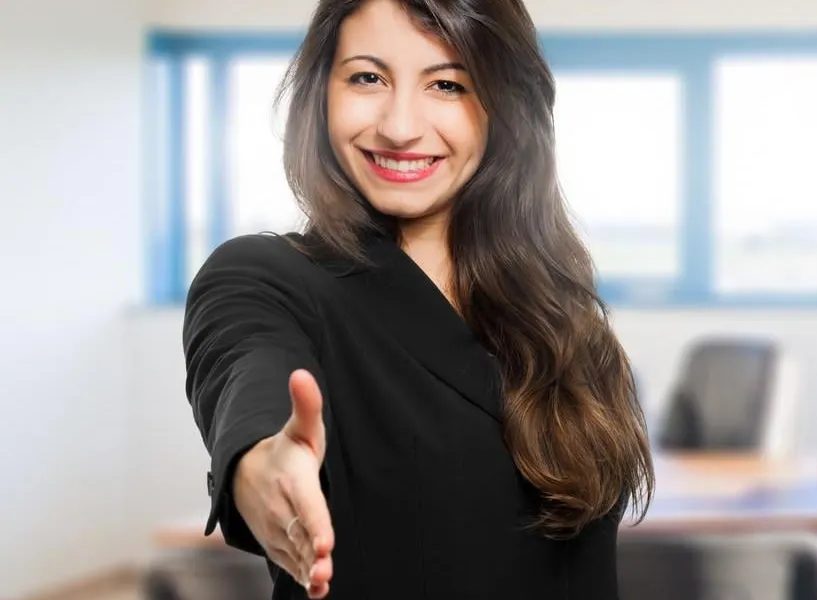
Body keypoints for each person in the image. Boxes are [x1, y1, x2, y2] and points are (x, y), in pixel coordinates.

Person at [181, 0, 655, 598]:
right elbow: (247, 369)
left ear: (504, 104)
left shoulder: (560, 313)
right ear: (320, 94)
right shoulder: (269, 276)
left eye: (448, 84)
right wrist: (260, 466)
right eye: (367, 77)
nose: (400, 125)